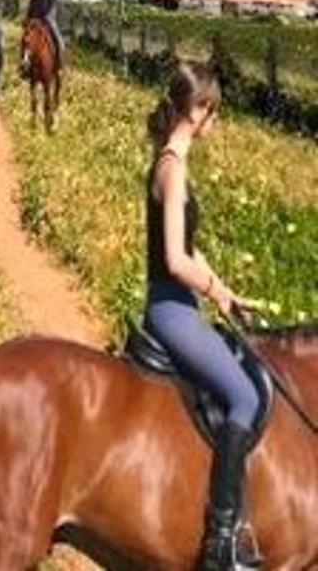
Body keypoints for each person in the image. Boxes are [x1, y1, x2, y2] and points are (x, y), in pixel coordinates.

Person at [142, 63, 266, 571]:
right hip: (171, 308)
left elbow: (191, 250)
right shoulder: (173, 170)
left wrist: (226, 296)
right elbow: (175, 258)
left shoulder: (170, 162)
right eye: (213, 110)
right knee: (244, 395)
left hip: (182, 303)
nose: (216, 120)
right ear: (199, 111)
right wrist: (212, 287)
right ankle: (220, 534)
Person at [20, 0, 64, 77]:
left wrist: (47, 15)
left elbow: (53, 1)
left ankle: (59, 65)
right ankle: (25, 66)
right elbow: (33, 2)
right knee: (26, 40)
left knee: (59, 40)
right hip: (35, 19)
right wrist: (28, 17)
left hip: (48, 18)